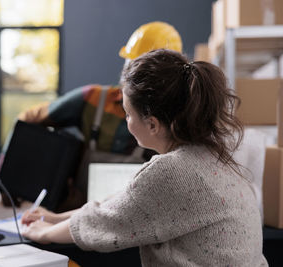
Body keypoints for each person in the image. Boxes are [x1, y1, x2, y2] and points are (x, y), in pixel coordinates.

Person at [21, 49, 268, 266]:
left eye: (128, 114)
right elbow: (123, 203)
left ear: (152, 124)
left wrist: (45, 233)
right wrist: (55, 217)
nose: (126, 122)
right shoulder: (213, 156)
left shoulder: (172, 171)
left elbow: (104, 221)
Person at [17, 21, 183, 209]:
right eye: (135, 68)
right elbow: (28, 120)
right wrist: (14, 178)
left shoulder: (175, 122)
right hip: (76, 209)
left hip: (134, 213)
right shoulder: (93, 99)